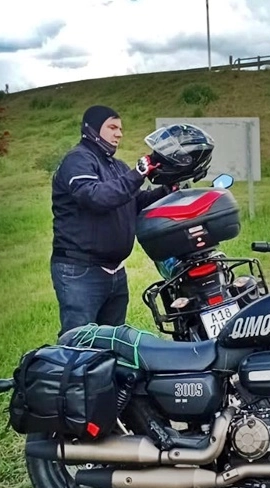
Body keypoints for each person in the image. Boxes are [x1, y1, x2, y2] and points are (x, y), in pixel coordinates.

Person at [50, 105, 173, 336]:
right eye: (112, 127)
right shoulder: (77, 161)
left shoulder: (117, 166)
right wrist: (138, 172)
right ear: (92, 129)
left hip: (115, 271)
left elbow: (134, 201)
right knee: (80, 343)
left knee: (112, 342)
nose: (119, 134)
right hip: (80, 270)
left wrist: (166, 189)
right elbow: (97, 197)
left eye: (120, 128)